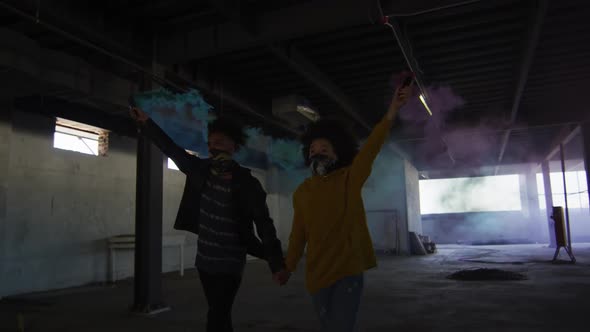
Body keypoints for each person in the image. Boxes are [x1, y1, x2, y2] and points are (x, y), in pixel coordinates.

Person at [130, 108, 287, 332]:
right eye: (212, 143)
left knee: (217, 313)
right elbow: (173, 150)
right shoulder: (199, 170)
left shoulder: (247, 183)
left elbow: (264, 223)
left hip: (231, 262)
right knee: (218, 311)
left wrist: (276, 263)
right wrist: (147, 124)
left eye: (221, 142)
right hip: (205, 261)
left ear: (234, 146)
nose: (215, 147)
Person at [279, 83, 414, 331]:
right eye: (312, 150)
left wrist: (392, 111)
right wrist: (288, 267)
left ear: (338, 153)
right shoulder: (303, 192)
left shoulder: (350, 179)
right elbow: (298, 234)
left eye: (324, 149)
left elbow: (371, 148)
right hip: (317, 274)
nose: (317, 153)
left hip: (348, 270)